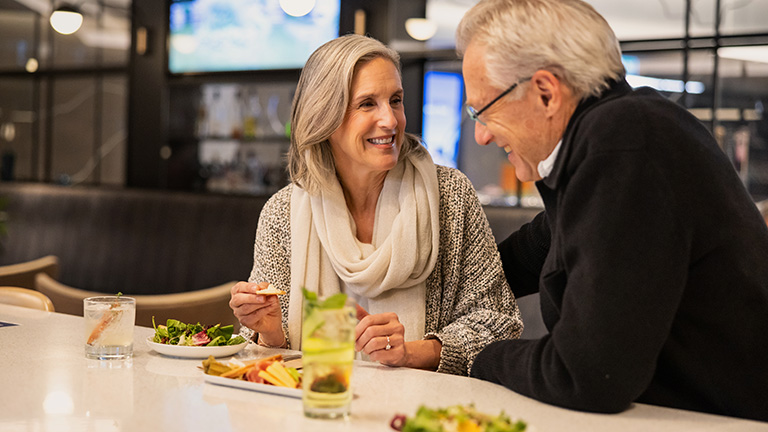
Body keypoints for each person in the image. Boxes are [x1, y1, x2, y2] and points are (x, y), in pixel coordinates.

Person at [457, 0, 768, 422]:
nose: (481, 135)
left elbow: (585, 374)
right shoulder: (622, 128)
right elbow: (543, 241)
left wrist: (474, 356)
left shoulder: (625, 145)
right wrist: (447, 289)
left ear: (546, 92)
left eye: (484, 110)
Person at [229, 34, 522, 376]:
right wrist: (269, 331)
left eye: (395, 100)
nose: (391, 120)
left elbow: (499, 323)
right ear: (324, 116)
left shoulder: (449, 196)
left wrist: (411, 352)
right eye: (367, 103)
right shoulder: (283, 214)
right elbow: (264, 357)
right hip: (316, 412)